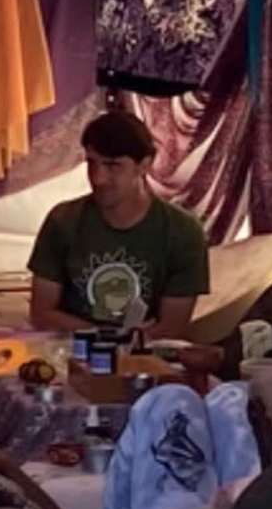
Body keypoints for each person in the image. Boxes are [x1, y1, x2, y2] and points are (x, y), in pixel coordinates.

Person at [24, 108, 213, 344]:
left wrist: (113, 340)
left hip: (143, 358)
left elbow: (171, 328)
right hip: (71, 353)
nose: (98, 178)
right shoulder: (63, 220)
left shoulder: (182, 232)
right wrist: (112, 337)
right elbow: (41, 314)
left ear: (144, 165)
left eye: (113, 166)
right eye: (92, 163)